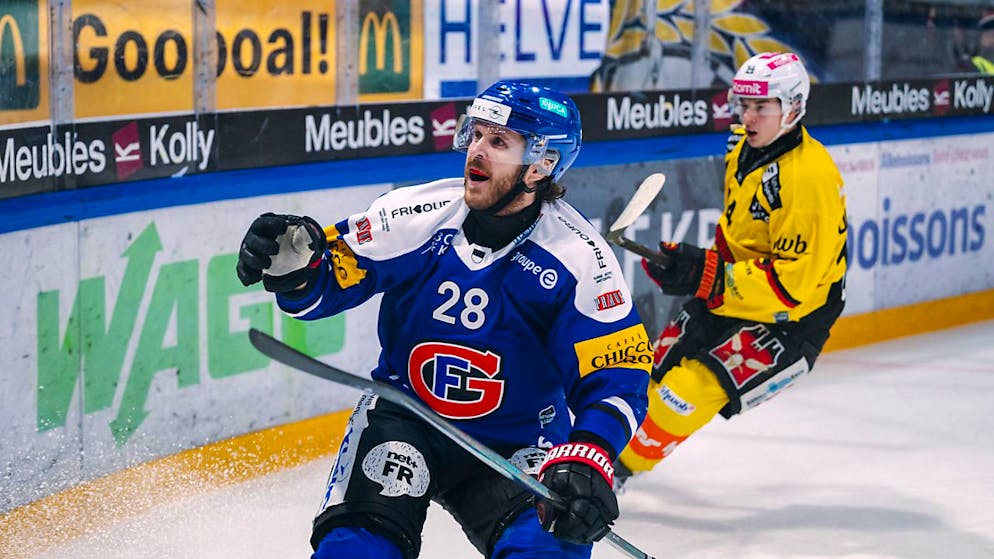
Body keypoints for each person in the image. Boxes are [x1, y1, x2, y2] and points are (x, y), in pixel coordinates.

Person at [236, 81, 652, 559]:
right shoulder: (417, 215)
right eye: (476, 133)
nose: (476, 150)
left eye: (499, 142)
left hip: (520, 441)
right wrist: (298, 270)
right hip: (405, 420)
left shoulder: (581, 259)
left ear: (542, 164)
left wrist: (590, 454)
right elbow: (329, 278)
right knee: (354, 552)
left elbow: (617, 376)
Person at [615, 52, 847, 487]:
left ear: (793, 107)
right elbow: (739, 232)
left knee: (680, 394)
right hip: (737, 292)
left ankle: (614, 472)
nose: (747, 116)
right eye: (742, 105)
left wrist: (707, 275)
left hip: (791, 320)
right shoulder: (742, 148)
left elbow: (792, 286)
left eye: (761, 107)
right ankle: (600, 452)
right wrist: (693, 264)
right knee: (648, 372)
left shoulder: (809, 179)